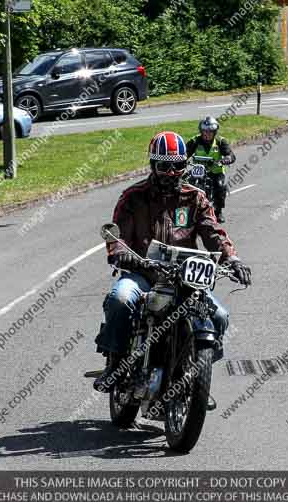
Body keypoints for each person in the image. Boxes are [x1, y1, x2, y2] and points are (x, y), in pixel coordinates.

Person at [93, 131, 251, 410]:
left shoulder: (196, 198)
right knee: (120, 298)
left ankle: (196, 377)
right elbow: (118, 238)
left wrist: (232, 259)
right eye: (164, 165)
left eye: (177, 165)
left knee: (220, 316)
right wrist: (121, 255)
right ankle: (116, 366)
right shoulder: (133, 197)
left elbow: (213, 232)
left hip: (184, 278)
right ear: (153, 165)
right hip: (144, 274)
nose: (171, 171)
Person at [186, 116, 236, 223]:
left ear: (215, 132)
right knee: (185, 184)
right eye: (205, 131)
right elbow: (185, 153)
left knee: (220, 186)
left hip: (215, 171)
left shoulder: (220, 141)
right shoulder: (195, 141)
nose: (207, 134)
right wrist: (182, 160)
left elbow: (231, 155)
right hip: (198, 171)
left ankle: (218, 211)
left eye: (210, 131)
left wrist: (226, 159)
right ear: (201, 131)